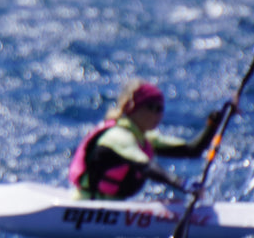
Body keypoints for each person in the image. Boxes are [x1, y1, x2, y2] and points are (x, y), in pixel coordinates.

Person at [68, 80, 226, 200]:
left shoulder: (144, 138)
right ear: (131, 107)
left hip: (112, 204)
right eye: (152, 108)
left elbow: (193, 150)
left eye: (161, 109)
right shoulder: (118, 137)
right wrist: (183, 184)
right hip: (87, 204)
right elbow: (145, 166)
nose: (158, 115)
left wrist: (213, 124)